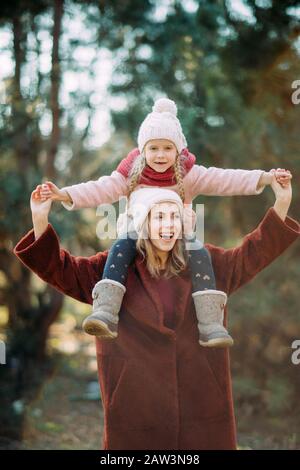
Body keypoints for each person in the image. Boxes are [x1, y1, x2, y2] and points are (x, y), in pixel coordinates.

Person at [14, 177, 299, 450]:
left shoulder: (207, 265)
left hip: (202, 405)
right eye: (159, 217)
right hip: (135, 406)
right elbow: (63, 271)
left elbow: (252, 256)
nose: (168, 225)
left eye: (174, 216)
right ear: (144, 223)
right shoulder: (113, 269)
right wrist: (40, 219)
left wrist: (282, 202)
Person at [35, 98, 291, 348]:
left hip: (178, 234)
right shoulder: (130, 175)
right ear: (142, 150)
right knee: (121, 246)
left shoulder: (188, 174)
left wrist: (265, 178)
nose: (160, 155)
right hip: (138, 233)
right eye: (153, 148)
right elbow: (99, 190)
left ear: (178, 150)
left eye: (167, 148)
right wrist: (63, 194)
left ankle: (210, 321)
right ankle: (106, 310)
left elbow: (224, 179)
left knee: (199, 252)